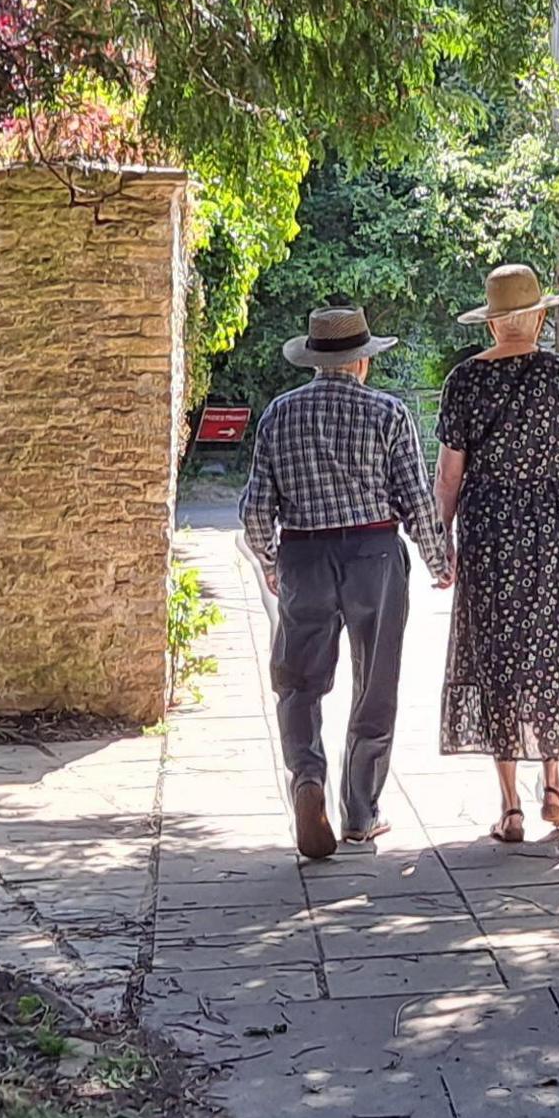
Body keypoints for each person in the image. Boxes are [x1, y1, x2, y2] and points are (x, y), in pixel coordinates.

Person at [237, 305, 450, 861]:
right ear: (361, 363)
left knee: (298, 682)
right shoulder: (389, 413)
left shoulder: (279, 415)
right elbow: (415, 498)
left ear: (314, 359)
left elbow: (257, 508)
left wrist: (269, 560)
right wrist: (438, 561)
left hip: (305, 555)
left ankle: (308, 779)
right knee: (375, 682)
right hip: (374, 555)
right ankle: (360, 812)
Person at [434, 263, 559, 842]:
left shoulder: (464, 381)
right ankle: (554, 788)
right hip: (552, 526)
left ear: (494, 325)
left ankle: (509, 807)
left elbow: (448, 478)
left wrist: (440, 541)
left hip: (490, 527)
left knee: (495, 650)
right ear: (540, 318)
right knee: (552, 646)